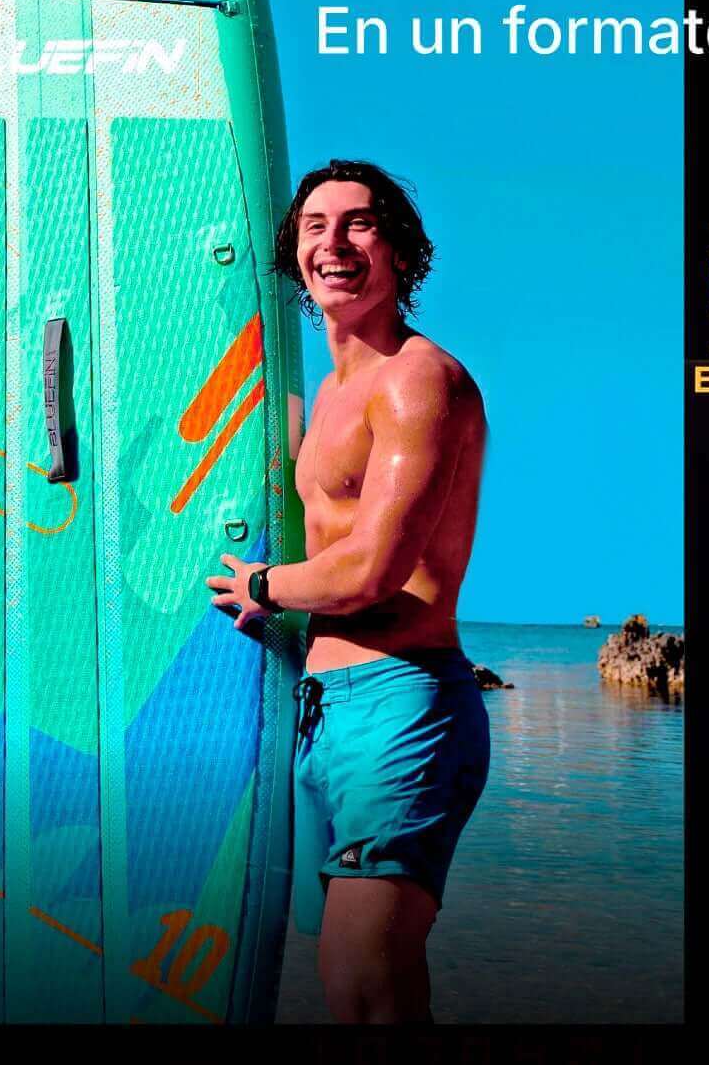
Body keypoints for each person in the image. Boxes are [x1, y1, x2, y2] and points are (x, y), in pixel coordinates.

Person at [207, 160, 488, 1023]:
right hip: (321, 707)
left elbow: (373, 568)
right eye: (314, 228)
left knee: (365, 973)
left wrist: (260, 583)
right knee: (343, 980)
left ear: (401, 251)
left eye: (359, 224)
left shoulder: (416, 379)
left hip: (403, 700)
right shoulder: (327, 394)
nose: (333, 243)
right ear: (294, 257)